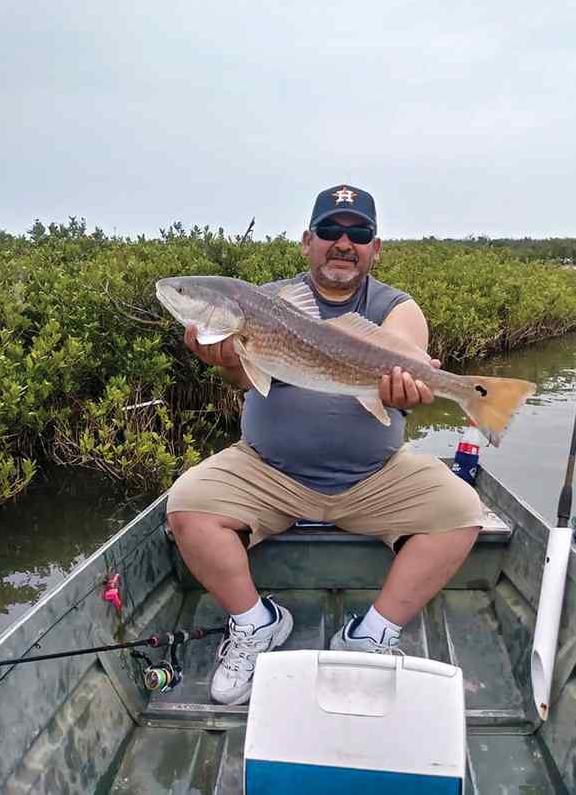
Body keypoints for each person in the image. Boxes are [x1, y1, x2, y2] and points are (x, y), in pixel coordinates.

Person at [167, 184, 482, 705]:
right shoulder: (263, 302)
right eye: (330, 231)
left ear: (374, 248)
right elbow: (248, 383)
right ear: (307, 241)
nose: (343, 242)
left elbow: (406, 356)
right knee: (186, 506)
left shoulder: (397, 307)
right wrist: (226, 361)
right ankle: (255, 624)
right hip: (268, 471)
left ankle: (372, 632)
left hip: (374, 478)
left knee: (463, 513)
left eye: (358, 233)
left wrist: (419, 383)